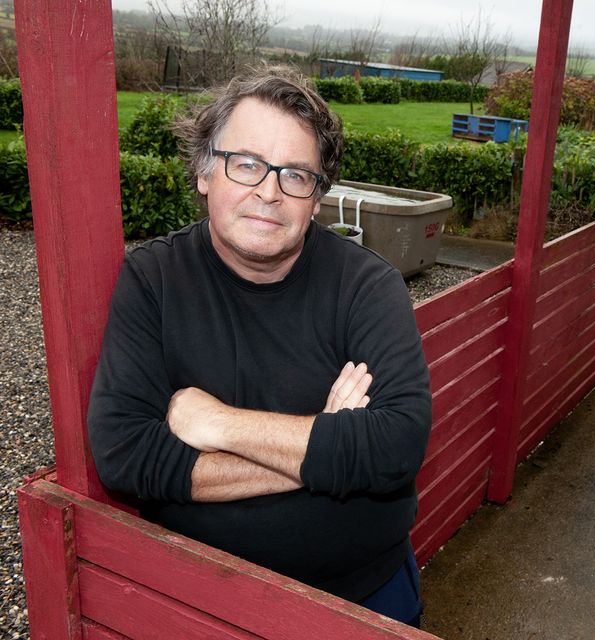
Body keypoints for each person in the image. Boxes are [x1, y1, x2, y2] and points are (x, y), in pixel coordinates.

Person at [87, 67, 432, 628]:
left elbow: (395, 447)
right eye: (245, 163)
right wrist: (327, 442)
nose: (268, 192)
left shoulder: (368, 286)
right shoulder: (154, 280)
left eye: (296, 174)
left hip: (364, 597)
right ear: (204, 171)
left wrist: (220, 425)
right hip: (196, 600)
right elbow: (126, 456)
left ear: (316, 199)